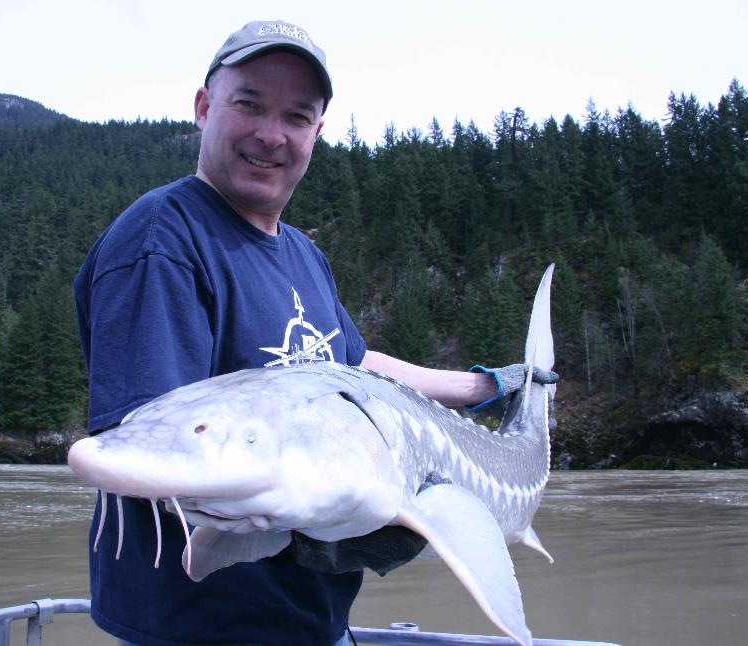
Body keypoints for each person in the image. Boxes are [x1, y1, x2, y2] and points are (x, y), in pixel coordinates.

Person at [73, 19, 557, 646]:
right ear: (203, 107)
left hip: (308, 623)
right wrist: (341, 521)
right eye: (249, 103)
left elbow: (357, 366)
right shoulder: (164, 239)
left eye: (297, 117)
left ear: (317, 133)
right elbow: (150, 454)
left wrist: (484, 385)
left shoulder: (302, 253)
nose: (271, 135)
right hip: (200, 628)